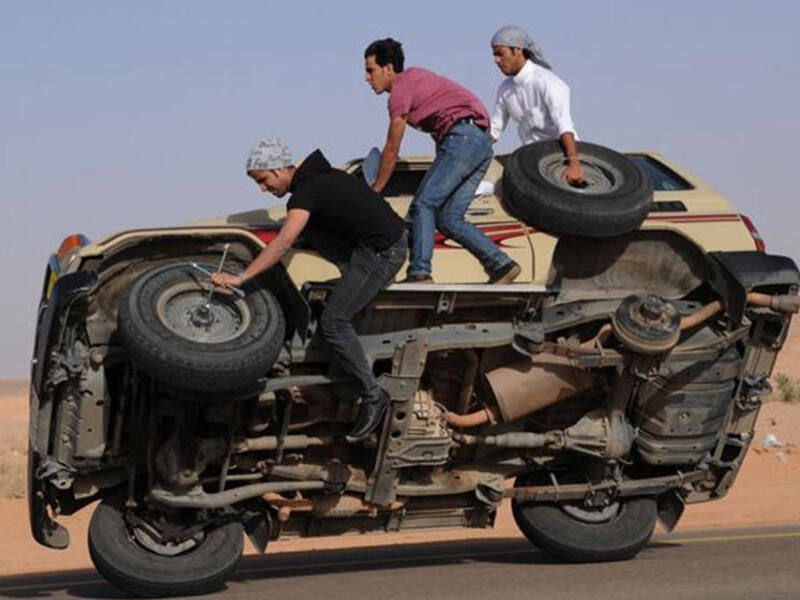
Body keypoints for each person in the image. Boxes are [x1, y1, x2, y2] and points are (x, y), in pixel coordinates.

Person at [212, 139, 407, 439]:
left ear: (279, 169)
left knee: (334, 322)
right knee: (307, 231)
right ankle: (348, 279)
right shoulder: (320, 177)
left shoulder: (307, 191)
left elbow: (282, 244)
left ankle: (373, 394)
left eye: (263, 181)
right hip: (365, 245)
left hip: (382, 252)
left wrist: (242, 278)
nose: (262, 189)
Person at [364, 38, 520, 285]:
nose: (367, 78)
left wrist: (375, 192)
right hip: (478, 143)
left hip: (464, 139)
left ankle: (420, 272)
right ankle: (502, 264)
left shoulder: (400, 90)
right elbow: (443, 129)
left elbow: (392, 148)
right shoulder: (417, 79)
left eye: (370, 70)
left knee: (423, 204)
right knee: (449, 219)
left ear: (388, 68)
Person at [490, 25, 585, 185]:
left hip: (562, 155)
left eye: (500, 54)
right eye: (494, 55)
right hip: (532, 159)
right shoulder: (505, 89)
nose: (496, 60)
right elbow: (494, 130)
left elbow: (564, 124)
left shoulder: (547, 82)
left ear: (518, 50)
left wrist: (574, 163)